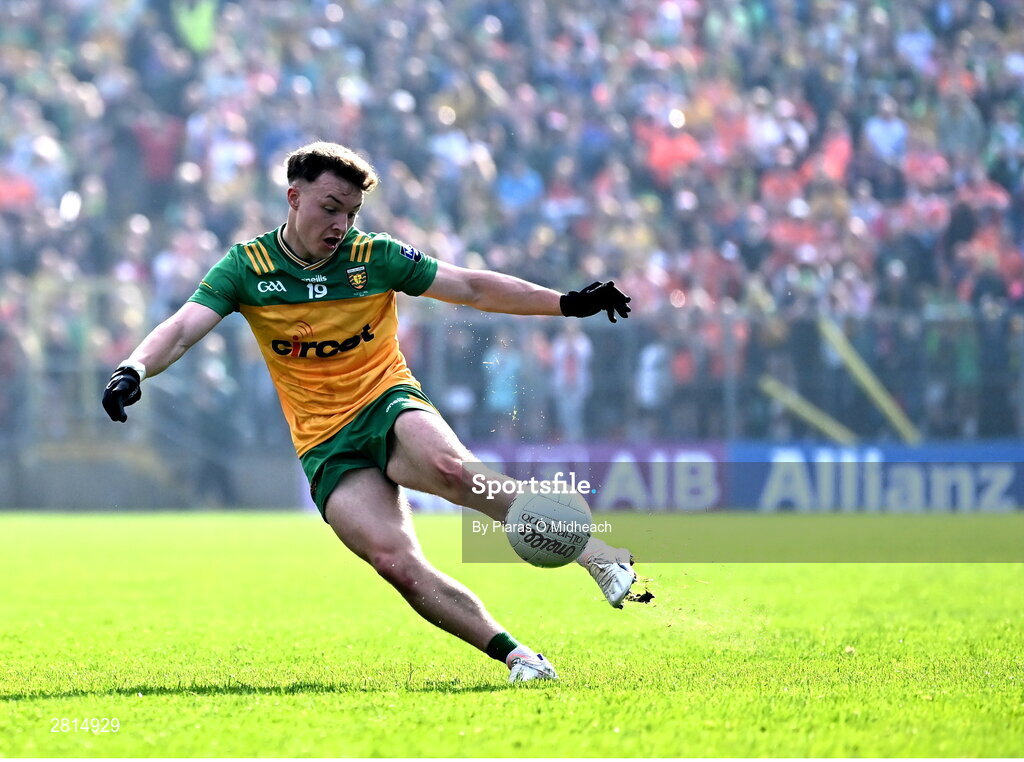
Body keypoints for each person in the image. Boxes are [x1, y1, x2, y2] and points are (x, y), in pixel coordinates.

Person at [101, 141, 636, 684]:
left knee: (457, 474)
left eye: (351, 212)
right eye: (331, 208)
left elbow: (471, 287)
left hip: (385, 400)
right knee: (396, 564)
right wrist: (134, 368)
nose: (341, 223)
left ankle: (598, 555)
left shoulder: (374, 256)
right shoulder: (247, 267)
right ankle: (519, 657)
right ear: (294, 197)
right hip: (323, 443)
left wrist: (568, 302)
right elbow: (184, 327)